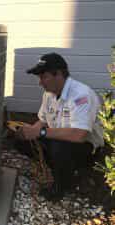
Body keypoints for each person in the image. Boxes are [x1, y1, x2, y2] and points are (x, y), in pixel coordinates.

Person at [20, 52, 104, 200]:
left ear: (58, 74)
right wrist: (31, 131)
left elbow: (79, 135)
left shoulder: (81, 96)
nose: (40, 82)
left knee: (59, 147)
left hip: (86, 146)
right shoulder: (49, 94)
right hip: (58, 139)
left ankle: (62, 185)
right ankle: (60, 168)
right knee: (22, 141)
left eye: (43, 77)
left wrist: (41, 133)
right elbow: (43, 120)